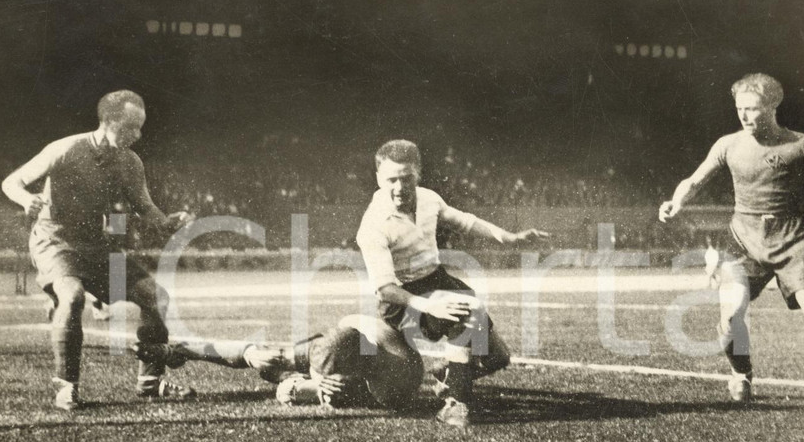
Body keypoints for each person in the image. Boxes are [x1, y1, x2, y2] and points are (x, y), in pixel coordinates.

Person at [658, 73, 804, 403]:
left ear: (774, 105)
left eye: (753, 109)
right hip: (743, 241)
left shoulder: (801, 145)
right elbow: (694, 180)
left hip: (790, 241)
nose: (745, 116)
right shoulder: (728, 145)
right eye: (740, 109)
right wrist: (677, 201)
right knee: (731, 315)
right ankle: (741, 375)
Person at [2, 90, 195, 410]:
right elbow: (12, 182)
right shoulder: (65, 149)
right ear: (108, 121)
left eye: (141, 127)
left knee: (154, 295)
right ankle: (67, 385)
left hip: (97, 247)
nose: (138, 135)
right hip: (56, 242)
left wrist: (168, 222)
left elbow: (146, 209)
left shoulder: (130, 162)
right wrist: (27, 200)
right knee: (73, 296)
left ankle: (150, 380)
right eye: (132, 126)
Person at [356, 139, 550, 426]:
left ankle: (448, 372)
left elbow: (466, 222)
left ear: (418, 174)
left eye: (406, 178)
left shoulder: (429, 199)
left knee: (498, 358)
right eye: (391, 179)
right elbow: (385, 289)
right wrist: (428, 305)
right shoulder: (373, 225)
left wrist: (509, 237)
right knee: (463, 312)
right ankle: (455, 404)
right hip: (402, 301)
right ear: (378, 179)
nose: (399, 187)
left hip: (436, 280)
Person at [134, 314, 426, 410]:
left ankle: (183, 351)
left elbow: (301, 392)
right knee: (267, 356)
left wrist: (308, 387)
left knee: (285, 385)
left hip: (352, 377)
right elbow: (347, 328)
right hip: (334, 349)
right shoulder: (367, 333)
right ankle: (182, 351)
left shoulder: (392, 386)